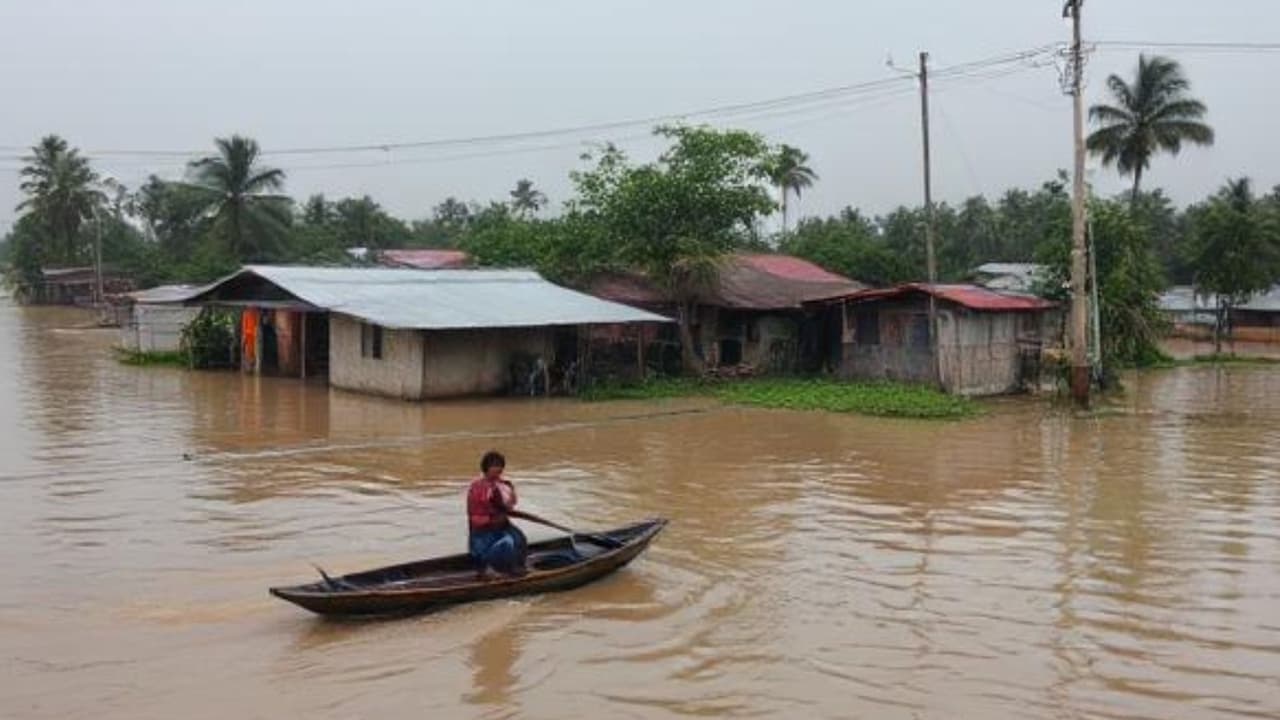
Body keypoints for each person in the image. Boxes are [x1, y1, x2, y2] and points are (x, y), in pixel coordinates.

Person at [467, 451, 530, 578]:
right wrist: (490, 519)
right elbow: (474, 514)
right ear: (486, 468)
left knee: (520, 539)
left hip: (502, 525)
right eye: (494, 465)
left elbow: (510, 505)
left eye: (500, 465)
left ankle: (517, 568)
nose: (498, 468)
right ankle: (486, 571)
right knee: (504, 545)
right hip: (483, 529)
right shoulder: (477, 487)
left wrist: (511, 492)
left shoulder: (504, 484)